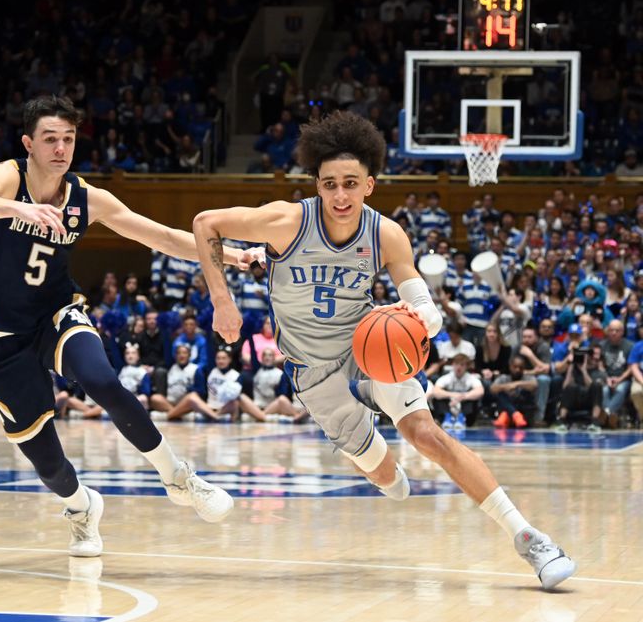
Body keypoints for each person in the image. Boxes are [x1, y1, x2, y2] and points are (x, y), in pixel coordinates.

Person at [192, 110, 575, 590]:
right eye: (329, 184)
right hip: (312, 372)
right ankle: (381, 468)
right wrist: (222, 300)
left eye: (351, 183)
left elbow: (414, 289)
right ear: (316, 185)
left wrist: (425, 313)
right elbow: (205, 223)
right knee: (386, 477)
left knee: (426, 435)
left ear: (369, 185)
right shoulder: (287, 221)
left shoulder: (385, 233)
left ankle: (529, 537)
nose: (340, 195)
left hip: (368, 347)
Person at [0, 95, 259, 557]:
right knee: (48, 462)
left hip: (55, 313)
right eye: (50, 139)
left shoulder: (85, 197)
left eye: (68, 139)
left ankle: (178, 477)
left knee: (102, 379)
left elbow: (158, 235)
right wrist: (22, 211)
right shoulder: (6, 178)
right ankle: (81, 509)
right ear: (28, 144)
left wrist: (231, 256)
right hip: (0, 337)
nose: (60, 148)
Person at [428, 353, 484, 429]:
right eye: (456, 364)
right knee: (438, 398)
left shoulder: (471, 378)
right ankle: (447, 417)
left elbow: (480, 391)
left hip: (464, 409)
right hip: (449, 406)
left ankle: (462, 418)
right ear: (452, 365)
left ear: (466, 366)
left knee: (473, 399)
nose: (459, 367)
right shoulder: (447, 377)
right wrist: (453, 395)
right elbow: (435, 391)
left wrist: (463, 397)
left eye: (462, 365)